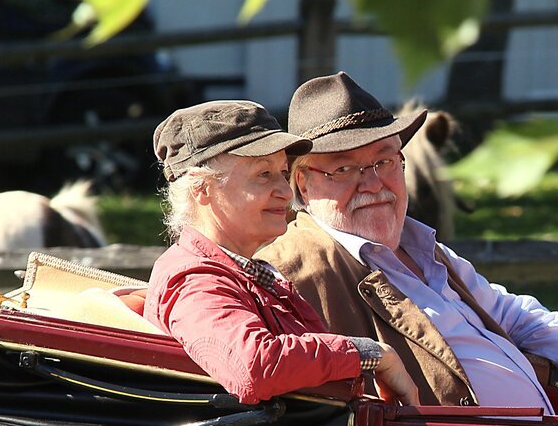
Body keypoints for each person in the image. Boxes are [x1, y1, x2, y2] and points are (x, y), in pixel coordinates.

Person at [257, 72, 558, 419]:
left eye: (384, 160)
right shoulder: (291, 267)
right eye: (344, 168)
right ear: (303, 183)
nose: (373, 183)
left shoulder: (429, 251)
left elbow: (520, 317)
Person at [143, 100, 419, 406]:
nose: (286, 192)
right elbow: (254, 366)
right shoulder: (193, 278)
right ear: (202, 189)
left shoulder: (249, 273)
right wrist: (371, 355)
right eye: (263, 175)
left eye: (283, 172)